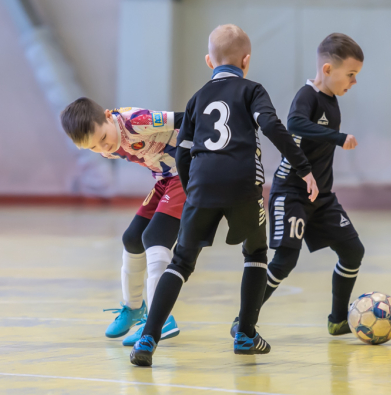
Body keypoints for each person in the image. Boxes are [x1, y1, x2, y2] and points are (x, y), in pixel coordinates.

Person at [129, 24, 318, 366]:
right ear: (246, 60)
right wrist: (303, 167)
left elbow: (182, 151)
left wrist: (193, 186)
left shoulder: (198, 98)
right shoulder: (252, 90)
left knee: (181, 262)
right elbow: (272, 125)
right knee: (256, 252)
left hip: (201, 186)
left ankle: (147, 339)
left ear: (208, 61)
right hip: (243, 185)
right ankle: (245, 334)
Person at [231, 33, 365, 337]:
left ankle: (338, 320)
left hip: (322, 197)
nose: (354, 82)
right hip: (291, 193)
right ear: (327, 69)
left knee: (353, 251)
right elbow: (295, 124)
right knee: (284, 261)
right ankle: (243, 321)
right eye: (351, 74)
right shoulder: (308, 96)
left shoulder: (332, 102)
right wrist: (338, 137)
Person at [60, 98, 184, 346]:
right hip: (165, 179)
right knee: (132, 239)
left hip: (187, 175)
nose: (103, 147)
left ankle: (159, 320)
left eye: (103, 138)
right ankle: (134, 308)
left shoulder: (137, 121)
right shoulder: (105, 143)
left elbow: (188, 117)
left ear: (108, 116)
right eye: (93, 147)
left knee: (155, 238)